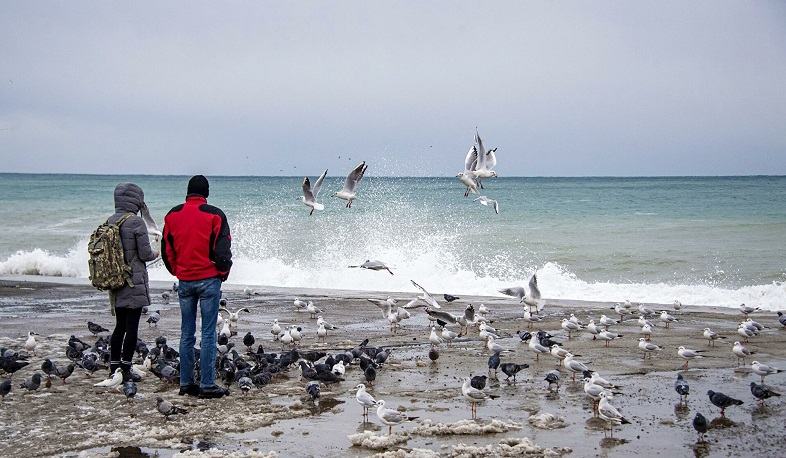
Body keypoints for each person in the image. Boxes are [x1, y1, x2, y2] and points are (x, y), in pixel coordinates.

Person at [161, 175, 233, 399]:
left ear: (188, 192)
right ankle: (207, 384)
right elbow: (223, 250)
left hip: (185, 280)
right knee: (209, 333)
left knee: (186, 332)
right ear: (206, 193)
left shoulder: (172, 215)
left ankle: (186, 382)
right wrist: (222, 273)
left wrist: (177, 270)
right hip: (209, 279)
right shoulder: (215, 214)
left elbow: (166, 248)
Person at [108, 183, 159, 381]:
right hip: (134, 281)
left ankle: (114, 368)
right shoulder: (136, 222)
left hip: (116, 281)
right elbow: (145, 254)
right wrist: (155, 253)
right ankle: (127, 368)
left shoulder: (111, 221)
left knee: (119, 325)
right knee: (132, 326)